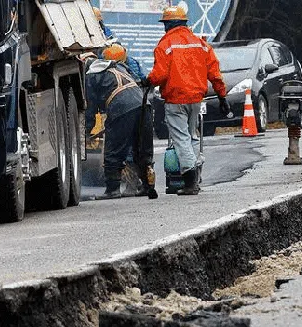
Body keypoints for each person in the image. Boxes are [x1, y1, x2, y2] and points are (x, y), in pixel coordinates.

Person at [144, 5, 229, 196]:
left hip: (176, 100)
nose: (164, 27)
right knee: (191, 137)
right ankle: (196, 175)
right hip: (196, 99)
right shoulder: (200, 44)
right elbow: (215, 73)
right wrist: (222, 96)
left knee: (181, 139)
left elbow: (159, 74)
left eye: (165, 24)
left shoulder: (165, 45)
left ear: (170, 24)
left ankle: (190, 181)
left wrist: (148, 81)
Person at [85, 44, 158, 200]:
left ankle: (112, 189)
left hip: (121, 107)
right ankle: (148, 185)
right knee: (142, 148)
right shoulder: (122, 68)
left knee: (114, 149)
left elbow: (91, 106)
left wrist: (87, 129)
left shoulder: (92, 75)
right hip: (143, 104)